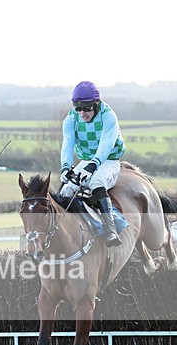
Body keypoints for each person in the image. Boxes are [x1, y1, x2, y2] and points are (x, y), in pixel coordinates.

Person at [57, 80, 126, 247]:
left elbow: (106, 144)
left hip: (108, 159)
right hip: (86, 160)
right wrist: (66, 167)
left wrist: (93, 165)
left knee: (96, 182)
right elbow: (67, 144)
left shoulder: (108, 116)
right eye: (78, 108)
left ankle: (111, 231)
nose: (82, 113)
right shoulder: (71, 119)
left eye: (86, 108)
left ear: (96, 104)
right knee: (65, 191)